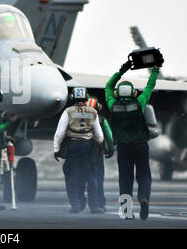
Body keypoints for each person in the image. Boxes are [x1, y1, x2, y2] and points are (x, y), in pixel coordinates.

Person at [105, 59, 161, 220]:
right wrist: (155, 69)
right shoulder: (140, 103)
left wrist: (122, 71)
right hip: (141, 146)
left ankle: (127, 211)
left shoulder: (112, 104)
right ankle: (143, 198)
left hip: (123, 148)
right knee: (144, 176)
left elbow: (108, 86)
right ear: (133, 93)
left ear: (117, 94)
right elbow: (150, 85)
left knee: (125, 179)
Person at [53, 87, 104, 214]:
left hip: (73, 145)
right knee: (91, 176)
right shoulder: (93, 112)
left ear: (73, 98)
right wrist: (97, 145)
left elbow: (59, 133)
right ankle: (94, 206)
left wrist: (56, 149)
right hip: (88, 146)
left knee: (72, 175)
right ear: (86, 98)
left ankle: (75, 205)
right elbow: (100, 136)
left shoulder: (68, 112)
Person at [85, 96, 115, 212]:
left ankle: (77, 203)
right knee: (96, 178)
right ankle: (97, 204)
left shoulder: (75, 117)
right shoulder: (101, 119)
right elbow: (109, 136)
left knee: (77, 178)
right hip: (95, 154)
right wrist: (111, 148)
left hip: (78, 153)